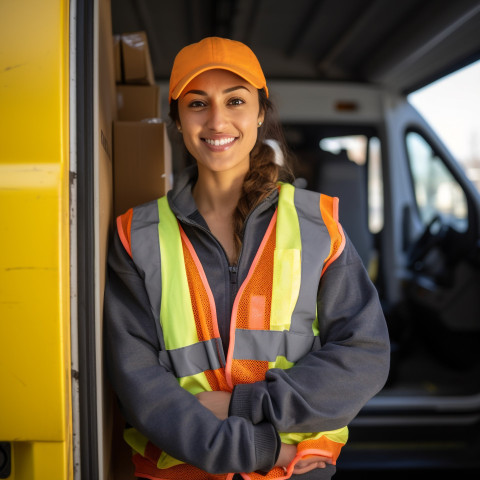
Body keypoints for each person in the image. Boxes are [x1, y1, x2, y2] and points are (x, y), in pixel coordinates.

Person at [104, 36, 390, 480]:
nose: (217, 120)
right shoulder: (135, 235)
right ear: (177, 120)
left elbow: (363, 354)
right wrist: (255, 449)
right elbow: (138, 383)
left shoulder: (319, 226)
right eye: (197, 104)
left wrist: (248, 404)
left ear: (259, 113)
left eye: (235, 101)